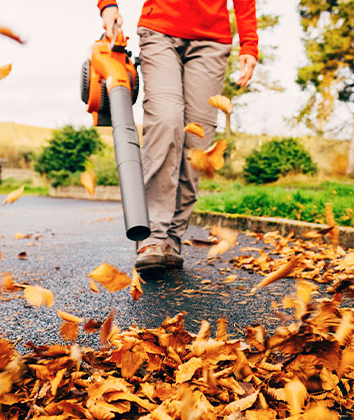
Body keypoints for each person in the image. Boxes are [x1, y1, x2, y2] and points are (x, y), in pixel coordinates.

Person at [96, 0, 258, 272]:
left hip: (212, 39)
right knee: (166, 121)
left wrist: (249, 43)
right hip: (160, 28)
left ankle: (171, 237)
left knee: (198, 141)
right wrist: (108, 6)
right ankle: (153, 236)